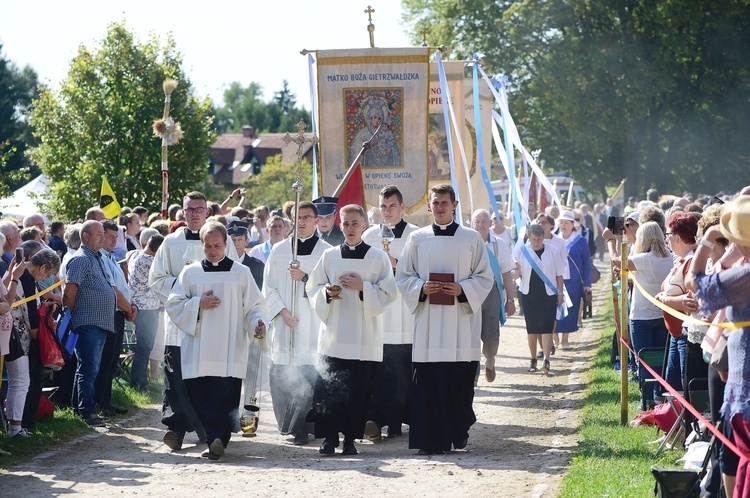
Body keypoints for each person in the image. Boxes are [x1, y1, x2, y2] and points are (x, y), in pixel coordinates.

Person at [396, 184, 494, 455]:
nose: (439, 207)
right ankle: (430, 440)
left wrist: (463, 289)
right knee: (428, 384)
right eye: (435, 203)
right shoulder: (417, 239)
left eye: (444, 203)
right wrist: (420, 288)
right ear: (429, 206)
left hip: (460, 326)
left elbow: (485, 276)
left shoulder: (472, 238)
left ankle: (455, 432)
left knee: (457, 385)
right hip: (428, 324)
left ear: (455, 205)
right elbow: (403, 276)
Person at [166, 221, 267, 460]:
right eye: (208, 246)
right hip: (199, 348)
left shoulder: (240, 273)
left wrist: (258, 323)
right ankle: (215, 438)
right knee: (200, 396)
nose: (212, 250)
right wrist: (197, 304)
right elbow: (173, 304)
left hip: (230, 347)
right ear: (202, 245)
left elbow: (255, 306)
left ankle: (218, 439)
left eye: (217, 245)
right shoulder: (190, 273)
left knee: (225, 397)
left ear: (226, 244)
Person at [149, 191, 238, 451]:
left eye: (199, 209)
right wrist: (186, 289)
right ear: (183, 213)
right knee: (176, 379)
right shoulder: (170, 243)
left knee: (210, 379)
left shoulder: (222, 239)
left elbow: (234, 275)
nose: (195, 213)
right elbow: (156, 279)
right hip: (180, 324)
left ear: (207, 212)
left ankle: (209, 429)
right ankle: (175, 429)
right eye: (190, 209)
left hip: (215, 322)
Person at [306, 204, 397, 456]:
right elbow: (313, 287)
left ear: (365, 225)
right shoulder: (330, 256)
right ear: (340, 224)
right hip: (334, 335)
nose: (349, 228)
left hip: (363, 337)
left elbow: (390, 293)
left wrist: (363, 287)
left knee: (357, 392)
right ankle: (329, 438)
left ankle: (350, 440)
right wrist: (325, 292)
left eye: (355, 223)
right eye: (345, 223)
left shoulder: (378, 257)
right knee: (329, 388)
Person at [685, 195, 750, 497]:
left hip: (746, 384)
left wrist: (708, 240)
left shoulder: (746, 277)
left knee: (741, 453)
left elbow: (696, 284)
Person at [263, 200, 331, 445]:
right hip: (285, 323)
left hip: (313, 323)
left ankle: (310, 426)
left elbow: (330, 286)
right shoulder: (280, 250)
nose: (301, 222)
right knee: (284, 371)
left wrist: (305, 278)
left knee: (310, 371)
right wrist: (281, 311)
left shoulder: (326, 252)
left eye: (306, 217)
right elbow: (268, 287)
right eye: (298, 217)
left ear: (316, 221)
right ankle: (291, 426)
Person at [361, 185, 419, 439]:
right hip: (378, 314)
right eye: (383, 207)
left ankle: (397, 421)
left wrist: (397, 265)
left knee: (402, 372)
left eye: (392, 206)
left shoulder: (417, 236)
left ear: (403, 207)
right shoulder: (369, 237)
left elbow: (420, 272)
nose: (387, 211)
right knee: (378, 371)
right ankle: (375, 418)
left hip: (404, 315)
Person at [604, 221, 673, 408]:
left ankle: (647, 400)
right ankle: (660, 397)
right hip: (663, 315)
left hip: (642, 317)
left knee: (644, 360)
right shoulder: (670, 257)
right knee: (661, 358)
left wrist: (611, 241)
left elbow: (617, 260)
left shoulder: (645, 258)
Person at [63, 221, 118, 427]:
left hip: (98, 323)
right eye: (98, 234)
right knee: (89, 369)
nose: (103, 237)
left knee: (87, 368)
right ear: (85, 236)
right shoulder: (81, 259)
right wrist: (69, 320)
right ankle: (87, 412)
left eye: (103, 234)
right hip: (87, 323)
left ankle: (82, 410)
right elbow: (69, 292)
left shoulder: (95, 258)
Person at [94, 219, 138, 416]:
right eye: (110, 237)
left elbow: (123, 287)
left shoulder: (111, 258)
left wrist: (131, 306)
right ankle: (99, 402)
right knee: (105, 361)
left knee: (112, 362)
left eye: (115, 237)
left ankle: (106, 400)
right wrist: (128, 308)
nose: (113, 241)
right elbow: (112, 290)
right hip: (109, 314)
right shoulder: (100, 259)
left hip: (120, 313)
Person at [470, 209, 516, 383]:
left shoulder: (498, 245)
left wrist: (510, 300)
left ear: (490, 224)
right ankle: (472, 375)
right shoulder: (466, 243)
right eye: (477, 221)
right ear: (471, 224)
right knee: (470, 336)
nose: (480, 225)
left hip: (492, 294)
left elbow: (506, 273)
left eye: (484, 221)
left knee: (491, 336)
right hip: (471, 293)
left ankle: (490, 361)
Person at [655, 211, 699, 393]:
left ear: (678, 237)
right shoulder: (681, 260)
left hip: (685, 335)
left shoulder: (691, 261)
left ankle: (686, 422)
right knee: (672, 387)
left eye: (668, 235)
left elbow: (689, 302)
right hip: (675, 334)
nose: (667, 240)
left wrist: (663, 299)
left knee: (682, 387)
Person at [514, 224, 565, 374]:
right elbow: (515, 275)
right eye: (534, 239)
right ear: (528, 237)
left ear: (543, 238)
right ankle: (532, 360)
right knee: (532, 328)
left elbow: (559, 275)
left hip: (548, 294)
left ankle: (546, 360)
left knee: (547, 327)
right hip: (528, 294)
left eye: (539, 240)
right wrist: (515, 270)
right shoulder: (521, 252)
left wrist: (560, 294)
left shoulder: (552, 251)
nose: (536, 242)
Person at [128, 234, 164, 391]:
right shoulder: (150, 261)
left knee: (144, 347)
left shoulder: (137, 255)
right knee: (145, 347)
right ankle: (139, 383)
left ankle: (140, 382)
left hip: (140, 306)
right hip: (147, 308)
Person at [555, 210, 591, 349]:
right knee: (555, 310)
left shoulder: (580, 240)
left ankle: (565, 339)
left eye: (566, 222)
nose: (563, 225)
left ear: (572, 224)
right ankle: (555, 338)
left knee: (570, 310)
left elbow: (586, 263)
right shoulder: (554, 239)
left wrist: (587, 284)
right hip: (556, 280)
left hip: (573, 281)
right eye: (561, 222)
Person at [348, 98, 400, 167]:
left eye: (379, 118)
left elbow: (392, 145)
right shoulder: (363, 132)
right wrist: (367, 146)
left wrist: (388, 148)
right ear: (370, 118)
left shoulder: (385, 132)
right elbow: (355, 147)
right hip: (368, 164)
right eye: (375, 117)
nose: (377, 120)